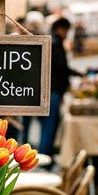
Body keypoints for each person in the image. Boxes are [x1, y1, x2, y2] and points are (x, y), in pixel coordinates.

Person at [38, 16, 79, 158]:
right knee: (49, 126)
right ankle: (44, 157)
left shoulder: (53, 41)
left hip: (51, 90)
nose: (67, 34)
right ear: (60, 29)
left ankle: (45, 155)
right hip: (52, 91)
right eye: (66, 30)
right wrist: (79, 73)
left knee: (49, 126)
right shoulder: (55, 43)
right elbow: (62, 67)